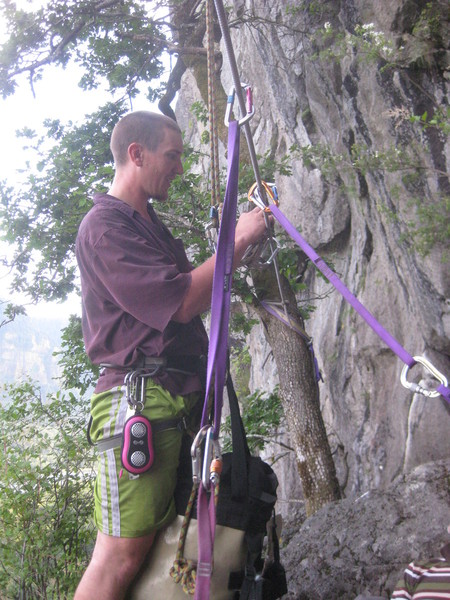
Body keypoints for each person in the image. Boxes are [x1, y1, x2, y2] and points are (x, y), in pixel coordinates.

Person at [74, 110, 270, 600]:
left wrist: (241, 240)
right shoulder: (105, 228)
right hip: (140, 404)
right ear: (136, 154)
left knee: (159, 549)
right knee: (118, 559)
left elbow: (200, 290)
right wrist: (238, 236)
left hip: (171, 403)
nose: (179, 168)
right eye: (172, 155)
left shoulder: (148, 227)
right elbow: (182, 301)